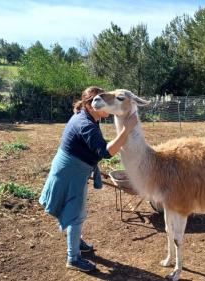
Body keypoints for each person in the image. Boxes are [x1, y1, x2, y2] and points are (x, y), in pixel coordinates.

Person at [39, 86, 138, 272]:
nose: (106, 105)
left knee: (76, 209)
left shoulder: (90, 118)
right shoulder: (85, 124)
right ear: (90, 105)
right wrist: (126, 130)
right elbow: (106, 152)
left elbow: (97, 147)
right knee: (76, 213)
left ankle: (76, 241)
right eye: (101, 101)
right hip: (70, 172)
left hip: (75, 170)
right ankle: (73, 258)